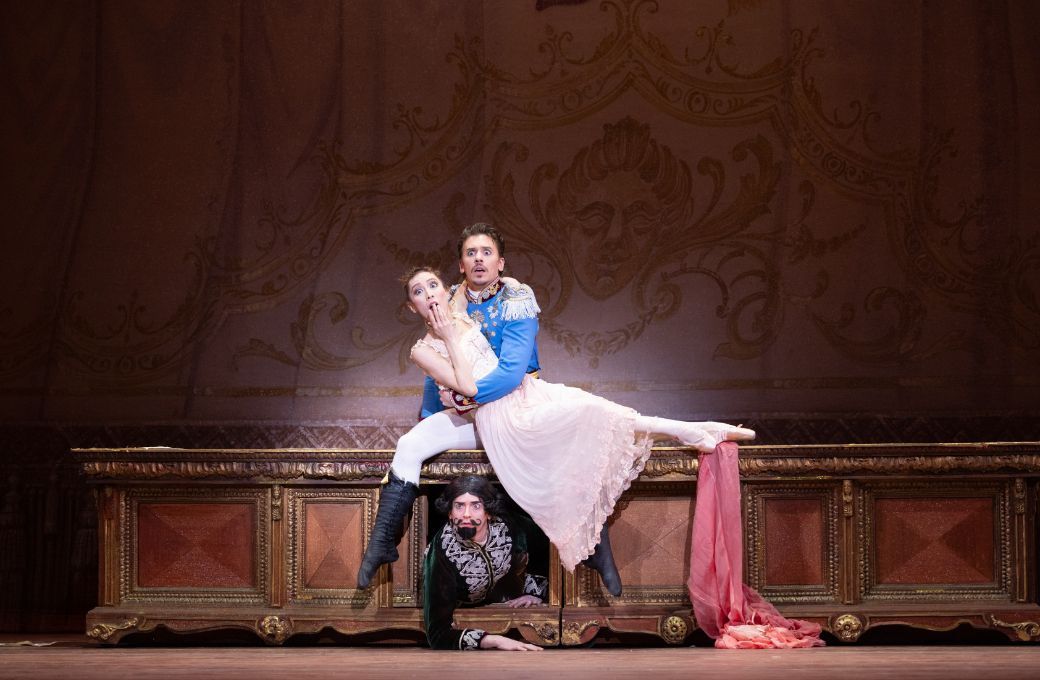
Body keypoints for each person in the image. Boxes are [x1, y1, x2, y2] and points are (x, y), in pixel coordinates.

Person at [357, 255, 755, 594]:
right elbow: (468, 386)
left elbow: (495, 280)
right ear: (412, 307)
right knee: (409, 446)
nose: (429, 295)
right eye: (418, 292)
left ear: (447, 290)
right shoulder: (422, 349)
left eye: (433, 286)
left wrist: (496, 286)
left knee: (595, 411)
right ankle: (382, 543)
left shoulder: (462, 308)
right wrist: (447, 336)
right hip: (482, 411)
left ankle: (693, 432)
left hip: (517, 398)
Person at [423, 475, 546, 651]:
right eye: (459, 506)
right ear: (450, 513)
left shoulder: (507, 526)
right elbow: (437, 634)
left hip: (507, 594)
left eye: (476, 506)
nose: (466, 514)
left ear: (488, 512)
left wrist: (534, 592)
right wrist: (495, 641)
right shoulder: (441, 553)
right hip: (463, 605)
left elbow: (541, 539)